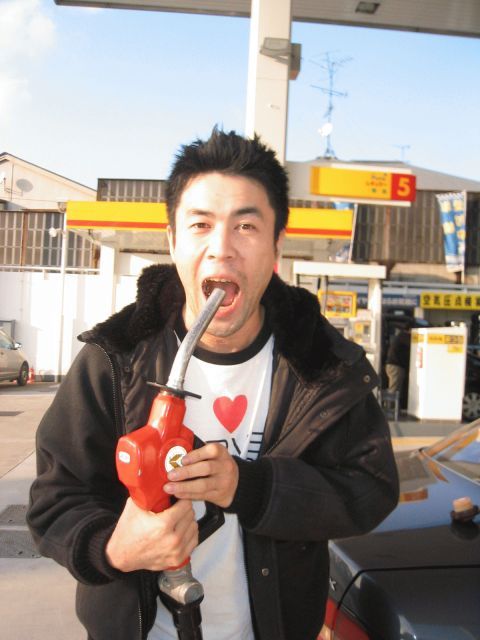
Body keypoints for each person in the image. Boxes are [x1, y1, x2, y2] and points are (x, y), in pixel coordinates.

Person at [27, 128, 399, 640]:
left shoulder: (324, 366)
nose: (222, 250)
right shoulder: (113, 358)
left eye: (246, 226)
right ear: (173, 241)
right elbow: (54, 497)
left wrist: (250, 487)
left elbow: (369, 490)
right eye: (201, 225)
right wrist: (112, 548)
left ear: (277, 244)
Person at [385, 325, 412, 407]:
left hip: (392, 365)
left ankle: (391, 407)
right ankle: (389, 408)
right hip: (396, 366)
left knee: (394, 388)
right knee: (394, 389)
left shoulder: (400, 336)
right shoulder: (404, 336)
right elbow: (413, 344)